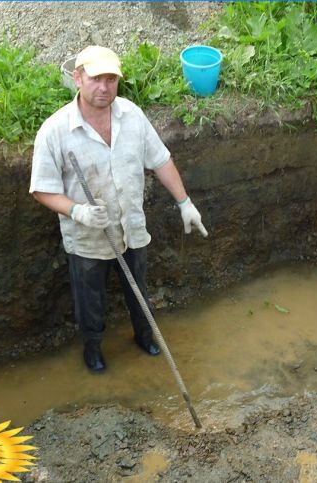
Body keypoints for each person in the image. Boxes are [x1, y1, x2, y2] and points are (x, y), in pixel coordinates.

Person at [30, 45, 208, 373]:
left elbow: (160, 160)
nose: (104, 87)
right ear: (78, 78)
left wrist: (185, 203)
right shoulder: (55, 131)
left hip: (131, 228)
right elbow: (42, 188)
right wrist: (76, 211)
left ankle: (144, 336)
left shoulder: (132, 116)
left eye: (111, 79)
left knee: (138, 289)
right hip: (87, 238)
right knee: (90, 301)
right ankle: (93, 349)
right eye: (96, 79)